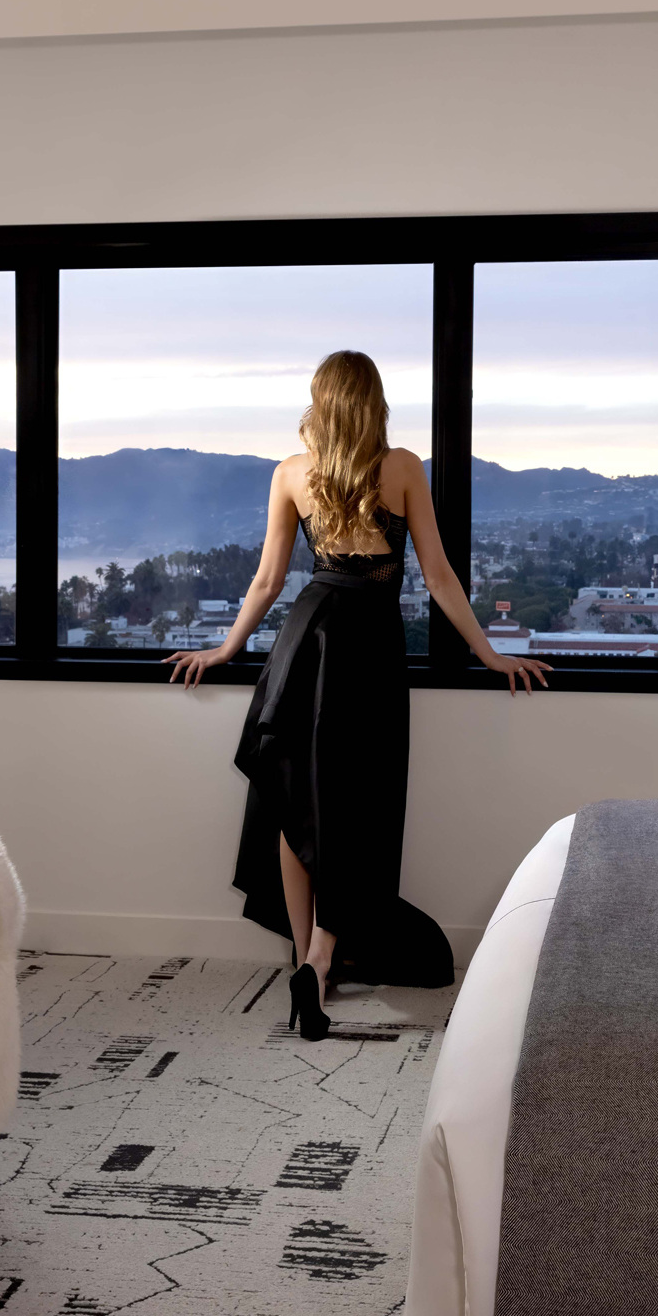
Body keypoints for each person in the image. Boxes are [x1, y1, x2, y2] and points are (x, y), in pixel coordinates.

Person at [168, 349, 548, 1039]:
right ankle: (318, 956)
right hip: (369, 647)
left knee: (296, 797)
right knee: (356, 804)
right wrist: (489, 652)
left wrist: (227, 648)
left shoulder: (290, 473)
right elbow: (437, 577)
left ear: (320, 400)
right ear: (373, 400)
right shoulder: (400, 467)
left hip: (305, 638)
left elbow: (267, 581)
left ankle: (309, 955)